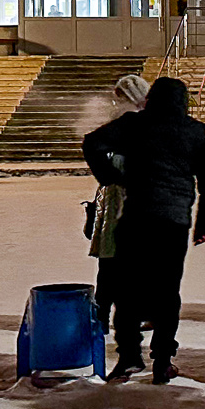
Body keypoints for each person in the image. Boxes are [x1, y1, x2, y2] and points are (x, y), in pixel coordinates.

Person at [83, 76, 205, 383]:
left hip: (136, 219)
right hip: (173, 224)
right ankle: (163, 360)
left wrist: (108, 176)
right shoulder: (195, 131)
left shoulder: (135, 124)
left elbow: (92, 143)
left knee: (127, 289)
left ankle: (130, 356)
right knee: (167, 291)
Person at [86, 75, 150, 333]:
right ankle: (106, 313)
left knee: (123, 262)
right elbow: (94, 145)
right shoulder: (127, 124)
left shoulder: (139, 124)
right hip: (121, 202)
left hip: (130, 201)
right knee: (115, 262)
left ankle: (120, 312)